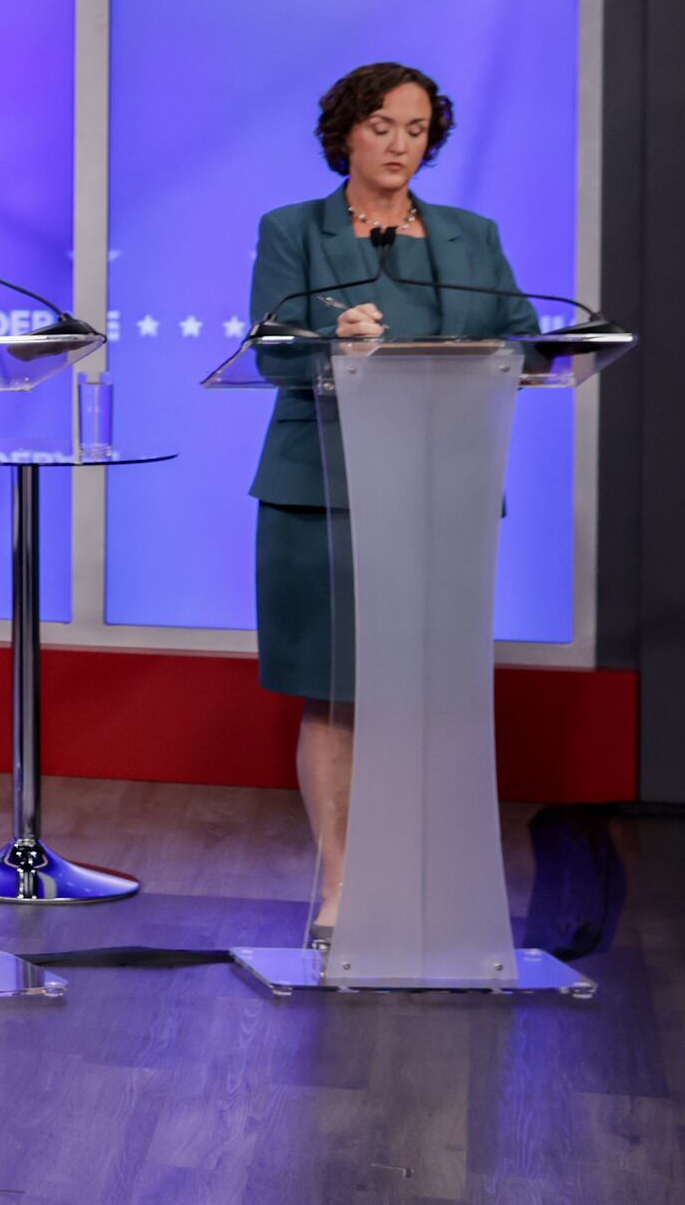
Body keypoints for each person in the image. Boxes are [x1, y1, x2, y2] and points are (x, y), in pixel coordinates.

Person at [245, 61, 539, 942]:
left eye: (417, 130)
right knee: (336, 694)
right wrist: (329, 340)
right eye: (383, 126)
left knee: (426, 692)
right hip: (322, 491)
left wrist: (509, 350)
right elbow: (270, 348)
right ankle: (340, 889)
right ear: (346, 132)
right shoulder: (292, 229)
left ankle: (423, 876)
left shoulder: (469, 234)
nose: (400, 145)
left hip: (437, 485)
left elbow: (521, 336)